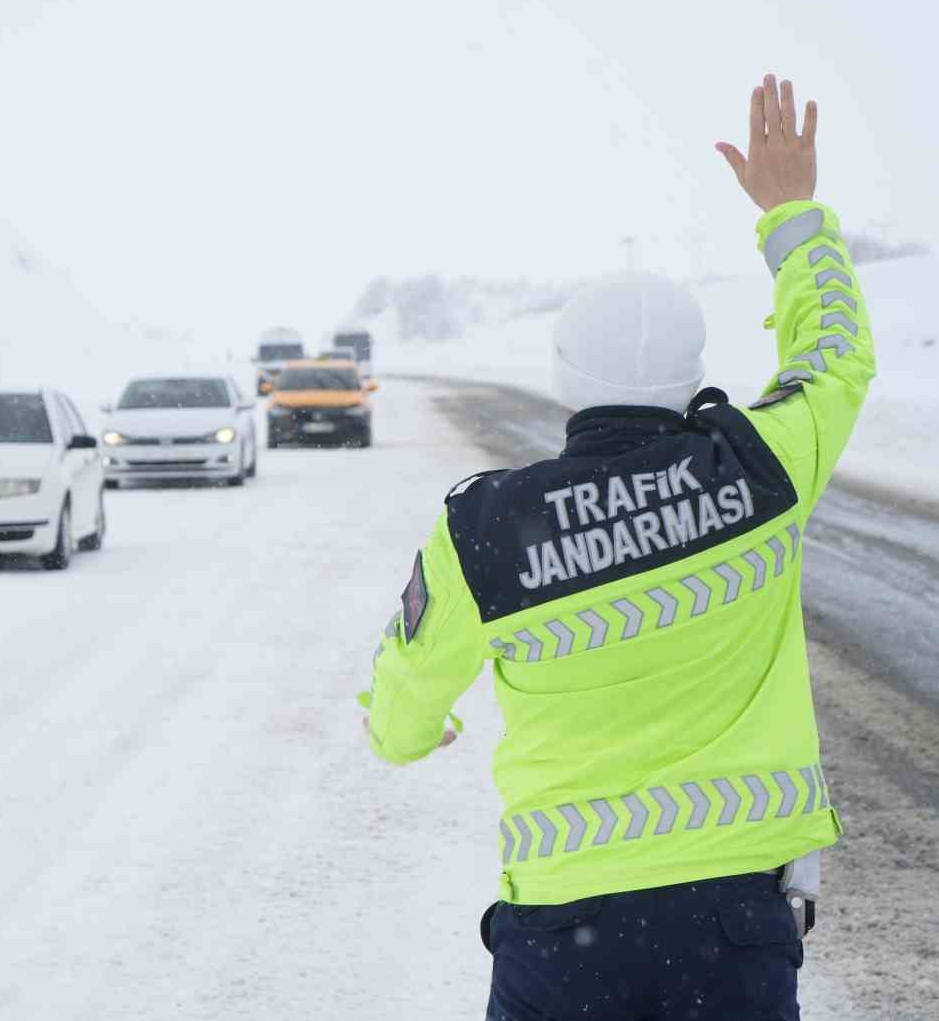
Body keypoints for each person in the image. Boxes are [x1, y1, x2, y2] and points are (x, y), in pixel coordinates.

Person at [360, 74, 873, 1020]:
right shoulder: (762, 467)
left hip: (564, 934)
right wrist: (791, 215)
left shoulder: (482, 528)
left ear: (563, 376)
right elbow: (837, 354)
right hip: (737, 926)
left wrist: (411, 729)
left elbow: (400, 707)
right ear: (694, 377)